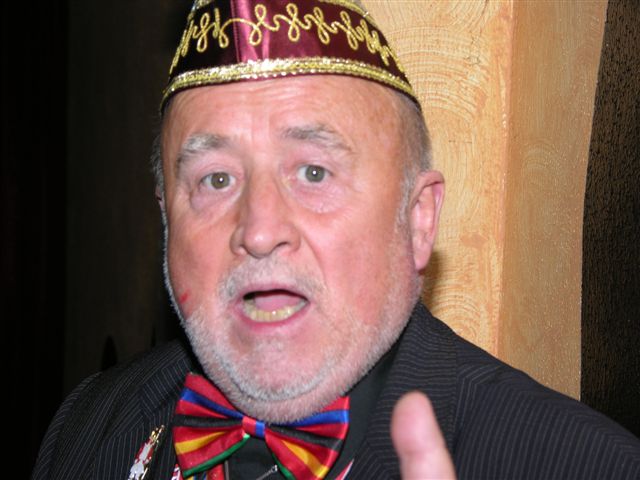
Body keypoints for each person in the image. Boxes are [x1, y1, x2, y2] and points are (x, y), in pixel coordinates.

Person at [32, 1, 640, 479]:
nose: (259, 231)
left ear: (418, 220)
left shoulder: (587, 465)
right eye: (216, 180)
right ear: (167, 220)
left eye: (313, 173)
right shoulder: (89, 423)